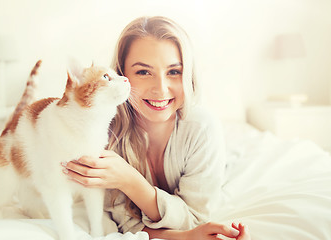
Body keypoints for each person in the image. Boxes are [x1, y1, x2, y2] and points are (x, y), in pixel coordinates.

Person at [62, 16, 251, 240]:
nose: (161, 90)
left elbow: (195, 218)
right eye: (143, 72)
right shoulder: (106, 135)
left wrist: (129, 180)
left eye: (174, 72)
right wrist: (186, 237)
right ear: (121, 76)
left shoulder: (202, 128)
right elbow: (127, 224)